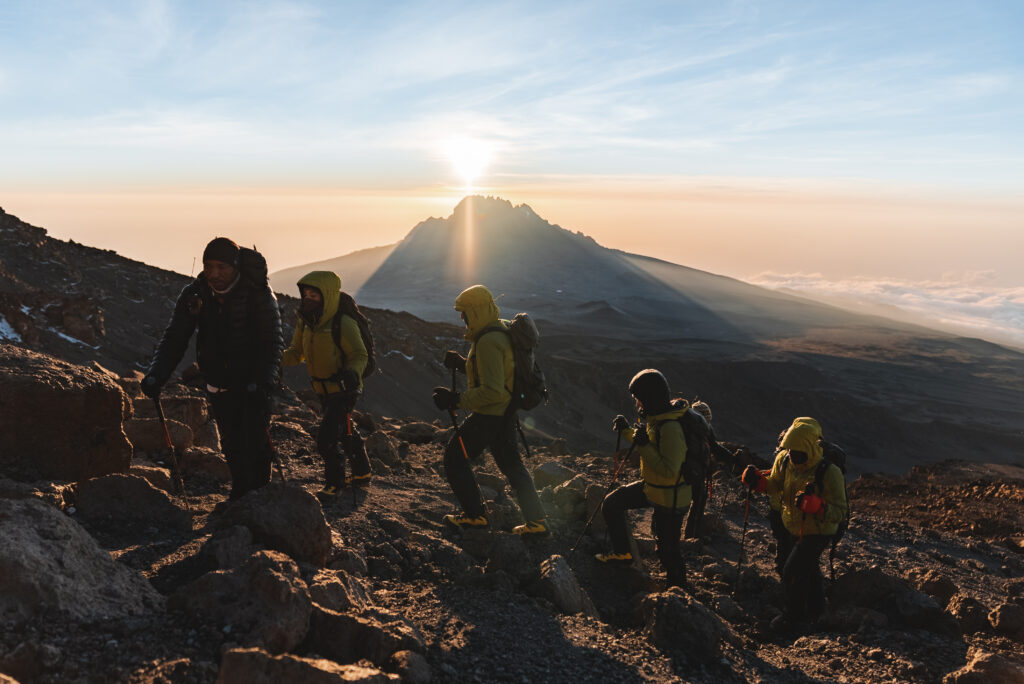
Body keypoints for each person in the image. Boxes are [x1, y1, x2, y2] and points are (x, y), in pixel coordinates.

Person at [142, 237, 282, 502]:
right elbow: (175, 338)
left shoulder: (258, 293)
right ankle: (240, 495)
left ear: (236, 268)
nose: (214, 274)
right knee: (230, 439)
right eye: (209, 266)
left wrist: (264, 380)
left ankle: (260, 500)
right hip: (218, 378)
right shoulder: (195, 294)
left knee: (255, 439)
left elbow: (272, 342)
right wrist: (156, 375)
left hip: (254, 379)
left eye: (222, 267)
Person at [432, 284, 547, 535]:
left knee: (454, 459)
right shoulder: (502, 328)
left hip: (490, 414)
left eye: (465, 313)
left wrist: (455, 400)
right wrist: (463, 364)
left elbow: (493, 390)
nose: (462, 319)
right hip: (506, 414)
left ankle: (475, 517)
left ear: (476, 312)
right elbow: (498, 374)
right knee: (512, 466)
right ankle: (537, 523)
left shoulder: (488, 340)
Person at [741, 417, 848, 628]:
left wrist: (818, 507)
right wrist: (760, 483)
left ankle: (793, 617)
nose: (792, 455)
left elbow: (841, 512)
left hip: (819, 531)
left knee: (792, 571)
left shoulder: (828, 472)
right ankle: (817, 612)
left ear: (808, 448)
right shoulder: (784, 460)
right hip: (794, 526)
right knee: (808, 568)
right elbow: (775, 486)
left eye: (797, 452)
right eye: (789, 450)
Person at [596, 369, 690, 589]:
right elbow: (644, 440)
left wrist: (644, 446)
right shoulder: (657, 419)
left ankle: (679, 594)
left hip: (671, 498)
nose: (637, 404)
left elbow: (669, 470)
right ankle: (623, 554)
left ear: (650, 399)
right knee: (612, 504)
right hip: (654, 489)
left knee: (668, 551)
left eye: (639, 399)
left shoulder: (671, 428)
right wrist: (627, 430)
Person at [281, 271, 371, 497]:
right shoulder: (306, 322)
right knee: (344, 430)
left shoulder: (343, 322)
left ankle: (335, 483)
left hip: (344, 389)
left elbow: (360, 354)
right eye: (306, 294)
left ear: (327, 297)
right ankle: (362, 473)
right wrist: (272, 358)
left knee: (326, 440)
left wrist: (353, 373)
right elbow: (296, 354)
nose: (309, 299)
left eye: (315, 295)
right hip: (323, 390)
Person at [685, 400, 737, 539]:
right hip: (695, 470)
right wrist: (731, 457)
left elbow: (712, 447)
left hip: (688, 469)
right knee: (698, 501)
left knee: (688, 501)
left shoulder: (688, 427)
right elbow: (714, 447)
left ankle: (688, 535)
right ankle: (692, 535)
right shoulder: (702, 429)